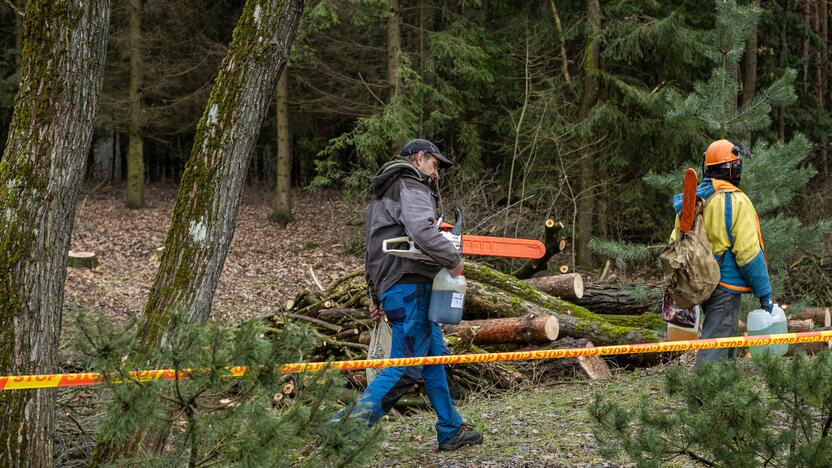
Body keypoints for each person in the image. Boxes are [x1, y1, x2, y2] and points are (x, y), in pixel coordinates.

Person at [357, 138, 483, 451]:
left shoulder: (382, 198)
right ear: (421, 158)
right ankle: (346, 428)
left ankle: (450, 429)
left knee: (434, 359)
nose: (436, 173)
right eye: (435, 165)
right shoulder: (411, 187)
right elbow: (422, 230)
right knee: (405, 366)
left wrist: (377, 296)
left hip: (398, 287)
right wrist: (454, 261)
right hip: (411, 286)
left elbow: (371, 254)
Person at [669, 139, 774, 366]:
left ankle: (726, 398)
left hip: (698, 284)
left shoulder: (692, 200)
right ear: (732, 169)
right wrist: (764, 292)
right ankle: (703, 399)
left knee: (724, 346)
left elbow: (674, 243)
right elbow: (749, 253)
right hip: (724, 286)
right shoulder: (736, 201)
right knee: (715, 349)